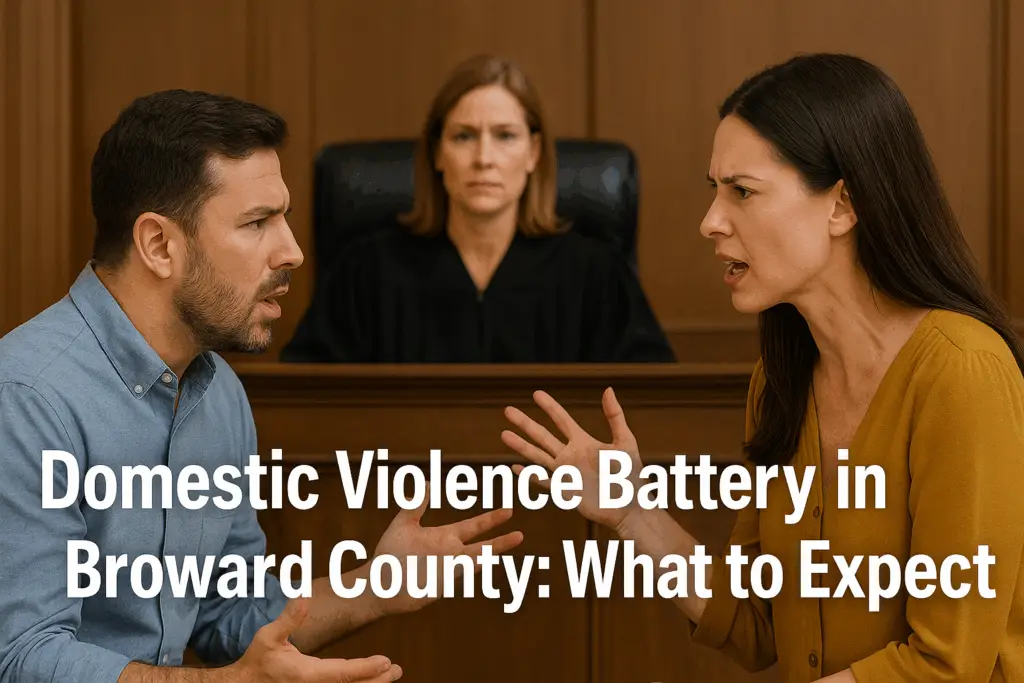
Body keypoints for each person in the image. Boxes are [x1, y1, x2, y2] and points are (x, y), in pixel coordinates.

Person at [501, 53, 1024, 682]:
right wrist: (631, 513)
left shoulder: (961, 372)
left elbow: (946, 666)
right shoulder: (779, 382)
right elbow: (757, 625)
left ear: (842, 205)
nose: (710, 222)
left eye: (742, 192)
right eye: (714, 190)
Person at [0, 89, 523, 683]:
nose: (293, 251)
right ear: (158, 245)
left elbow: (230, 617)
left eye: (285, 217)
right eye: (256, 223)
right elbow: (23, 658)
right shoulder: (24, 396)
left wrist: (376, 586)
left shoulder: (218, 393)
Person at [281, 54, 675, 363]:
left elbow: (651, 401)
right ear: (437, 151)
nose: (484, 158)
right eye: (464, 136)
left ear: (533, 152)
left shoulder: (597, 273)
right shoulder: (365, 270)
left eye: (505, 136)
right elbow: (312, 400)